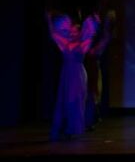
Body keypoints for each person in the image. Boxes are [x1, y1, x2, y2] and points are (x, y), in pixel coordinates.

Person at [46, 11, 100, 141]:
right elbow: (53, 34)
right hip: (66, 74)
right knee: (63, 100)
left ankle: (74, 128)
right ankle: (64, 128)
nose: (72, 33)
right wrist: (49, 20)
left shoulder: (82, 44)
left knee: (75, 100)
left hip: (78, 75)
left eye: (75, 32)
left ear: (80, 33)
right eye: (71, 31)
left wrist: (95, 23)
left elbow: (91, 35)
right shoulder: (65, 43)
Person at [84, 10, 114, 130]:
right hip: (87, 68)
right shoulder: (86, 38)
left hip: (92, 67)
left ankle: (89, 120)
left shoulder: (93, 38)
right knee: (90, 94)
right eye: (96, 21)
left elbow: (105, 40)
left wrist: (107, 24)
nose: (98, 22)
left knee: (93, 95)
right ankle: (86, 120)